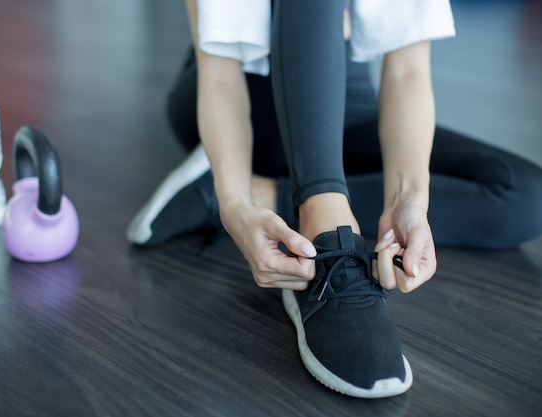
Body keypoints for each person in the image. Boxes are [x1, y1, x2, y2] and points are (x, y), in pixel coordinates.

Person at [128, 0, 542, 398]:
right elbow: (218, 76)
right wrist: (234, 204)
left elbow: (408, 72)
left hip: (343, 99)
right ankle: (321, 224)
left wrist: (408, 200)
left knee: (524, 196)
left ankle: (259, 194)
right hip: (245, 92)